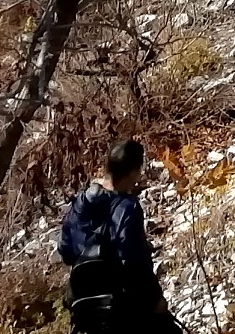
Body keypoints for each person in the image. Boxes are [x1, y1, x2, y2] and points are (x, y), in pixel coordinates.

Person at [58, 139, 181, 333]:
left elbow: (65, 251)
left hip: (84, 312)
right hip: (120, 308)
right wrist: (156, 299)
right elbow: (133, 261)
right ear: (133, 171)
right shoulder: (127, 207)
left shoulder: (81, 204)